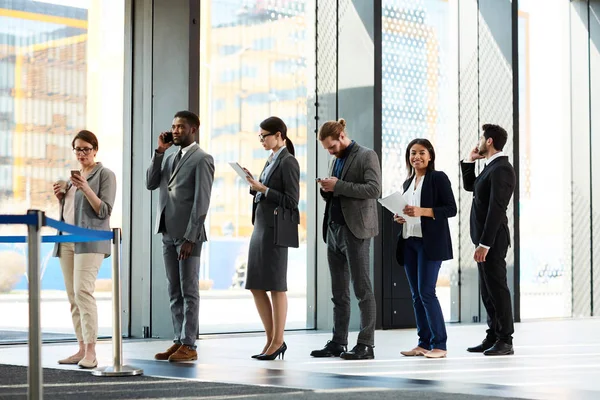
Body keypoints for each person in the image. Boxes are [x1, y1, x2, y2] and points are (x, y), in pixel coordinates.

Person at [146, 110, 215, 362]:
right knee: (174, 290)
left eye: (180, 127)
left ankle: (190, 345)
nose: (175, 131)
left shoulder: (202, 159)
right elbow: (150, 183)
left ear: (193, 129)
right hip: (167, 231)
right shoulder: (169, 157)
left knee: (189, 291)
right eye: (173, 126)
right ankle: (178, 340)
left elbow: (201, 202)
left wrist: (191, 237)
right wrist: (159, 153)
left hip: (188, 236)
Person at [311, 118, 381, 360]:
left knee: (362, 289)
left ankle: (366, 345)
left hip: (356, 231)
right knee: (338, 292)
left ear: (341, 135)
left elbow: (374, 190)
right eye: (327, 149)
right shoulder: (335, 160)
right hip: (333, 230)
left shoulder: (366, 155)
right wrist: (327, 189)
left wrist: (338, 185)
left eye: (331, 146)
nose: (330, 152)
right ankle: (338, 342)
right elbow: (338, 193)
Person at [52, 130, 117, 369]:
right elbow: (71, 212)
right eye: (78, 149)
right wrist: (61, 196)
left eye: (86, 149)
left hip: (89, 241)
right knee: (73, 297)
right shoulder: (72, 179)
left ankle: (91, 351)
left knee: (83, 292)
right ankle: (80, 348)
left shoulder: (105, 175)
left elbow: (104, 211)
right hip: (66, 240)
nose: (82, 154)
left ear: (95, 150)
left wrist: (86, 188)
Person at [394, 139, 456, 359]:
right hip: (409, 240)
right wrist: (401, 217)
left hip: (429, 243)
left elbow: (450, 209)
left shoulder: (438, 178)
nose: (416, 157)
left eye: (421, 152)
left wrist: (422, 211)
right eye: (412, 153)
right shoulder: (407, 183)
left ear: (430, 155)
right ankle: (423, 343)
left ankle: (440, 345)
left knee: (427, 292)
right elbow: (409, 211)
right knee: (416, 295)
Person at [243, 116, 300, 361]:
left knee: (276, 285)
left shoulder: (288, 161)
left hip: (275, 229)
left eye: (264, 136)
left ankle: (278, 342)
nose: (262, 140)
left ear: (279, 135)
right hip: (261, 227)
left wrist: (263, 189)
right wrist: (254, 184)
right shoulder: (271, 159)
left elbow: (291, 201)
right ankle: (270, 339)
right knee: (255, 284)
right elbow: (265, 192)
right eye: (260, 136)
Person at [461, 124, 516, 356]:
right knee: (487, 289)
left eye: (481, 138)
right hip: (484, 239)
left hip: (492, 240)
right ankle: (493, 334)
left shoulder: (502, 169)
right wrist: (469, 160)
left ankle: (505, 340)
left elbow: (496, 208)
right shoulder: (491, 167)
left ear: (490, 141)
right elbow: (470, 186)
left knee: (497, 289)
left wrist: (485, 244)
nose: (479, 142)